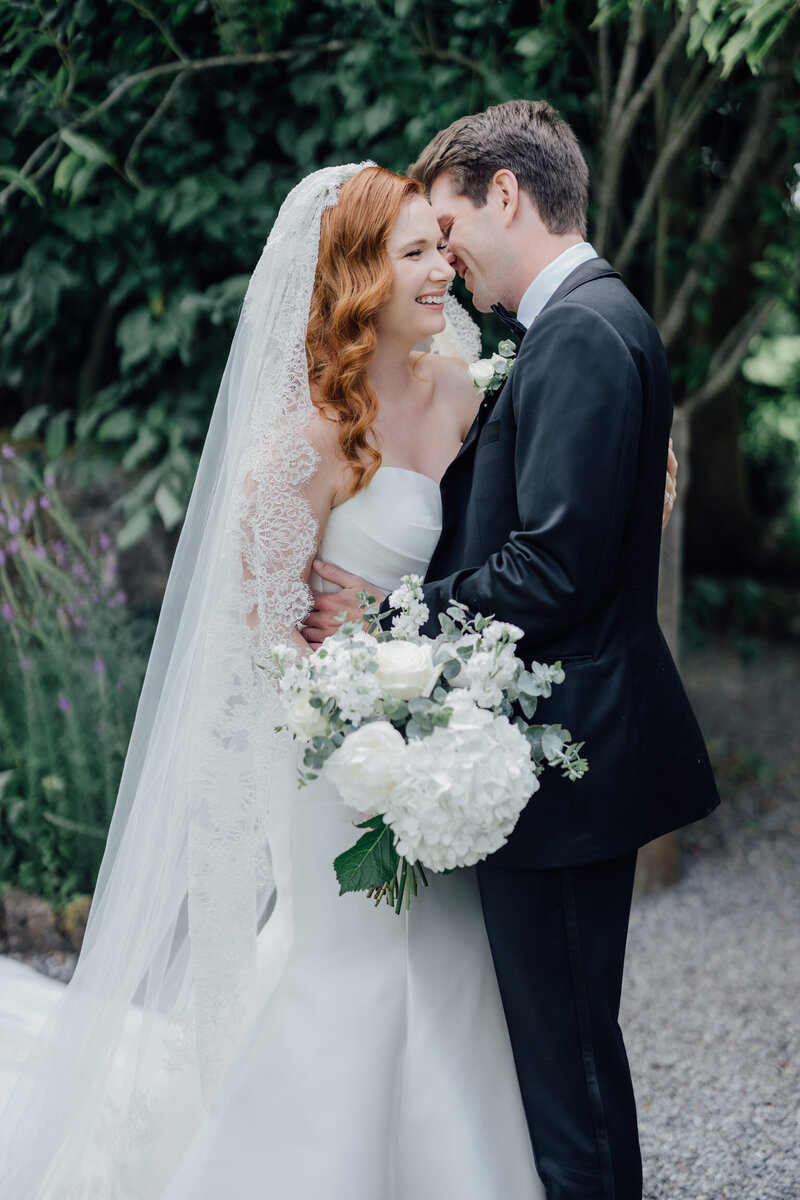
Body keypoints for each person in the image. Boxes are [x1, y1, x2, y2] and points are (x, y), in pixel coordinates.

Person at [0, 161, 678, 1199]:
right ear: (354, 274)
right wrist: (350, 706)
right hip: (330, 752)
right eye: (412, 252)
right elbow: (262, 638)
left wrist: (640, 483)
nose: (440, 269)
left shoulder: (464, 384)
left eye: (439, 246)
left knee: (454, 970)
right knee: (347, 966)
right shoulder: (306, 438)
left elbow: (532, 521)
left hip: (442, 738)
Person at [307, 102, 719, 1200]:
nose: (447, 257)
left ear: (504, 193)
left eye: (449, 225)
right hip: (563, 740)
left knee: (570, 1072)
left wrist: (389, 629)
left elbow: (552, 567)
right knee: (562, 1052)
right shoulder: (587, 323)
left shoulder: (579, 331)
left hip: (567, 748)